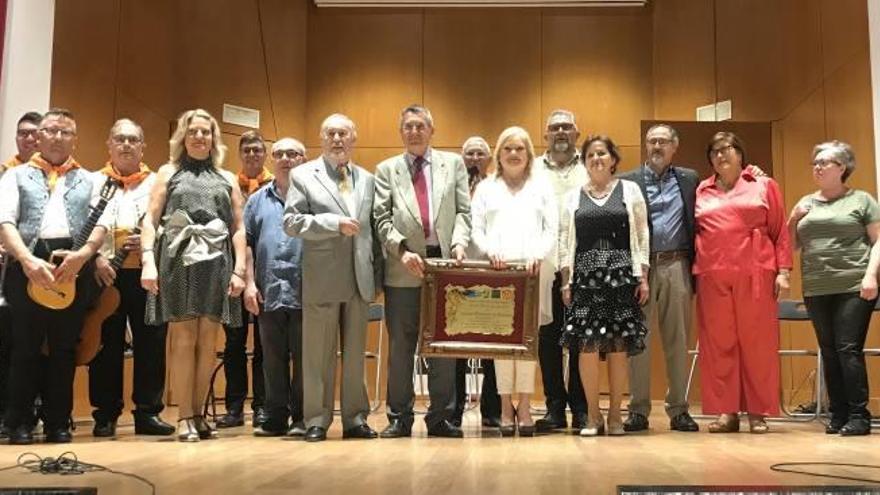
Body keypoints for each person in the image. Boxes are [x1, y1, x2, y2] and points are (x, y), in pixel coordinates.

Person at [0, 108, 110, 444]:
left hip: (72, 267)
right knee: (25, 347)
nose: (58, 137)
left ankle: (57, 422)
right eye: (51, 130)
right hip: (27, 265)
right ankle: (18, 422)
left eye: (66, 132)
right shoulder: (15, 176)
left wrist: (82, 256)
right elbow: (5, 222)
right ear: (39, 136)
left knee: (64, 348)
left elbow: (102, 225)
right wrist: (26, 260)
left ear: (74, 139)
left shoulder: (91, 179)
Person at [141, 108, 246, 442]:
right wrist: (147, 260)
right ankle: (185, 415)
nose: (200, 137)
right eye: (194, 132)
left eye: (206, 132)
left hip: (216, 263)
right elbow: (150, 219)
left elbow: (239, 228)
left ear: (214, 138)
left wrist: (240, 269)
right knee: (185, 339)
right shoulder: (168, 172)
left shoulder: (227, 177)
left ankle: (199, 414)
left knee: (207, 341)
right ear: (183, 137)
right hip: (178, 260)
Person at [374, 104, 470, 438]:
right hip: (403, 269)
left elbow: (463, 213)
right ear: (401, 132)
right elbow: (381, 219)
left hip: (444, 268)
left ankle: (440, 417)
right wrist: (401, 251)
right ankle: (399, 417)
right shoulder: (386, 169)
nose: (414, 131)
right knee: (402, 348)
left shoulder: (453, 164)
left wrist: (459, 244)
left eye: (420, 126)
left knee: (443, 347)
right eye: (408, 127)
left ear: (432, 130)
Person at [284, 114, 381, 442]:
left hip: (359, 277)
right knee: (317, 354)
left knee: (355, 354)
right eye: (331, 134)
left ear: (354, 139)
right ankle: (316, 420)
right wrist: (331, 223)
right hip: (322, 277)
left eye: (343, 133)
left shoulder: (368, 179)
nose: (337, 139)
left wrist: (376, 275)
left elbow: (372, 231)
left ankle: (355, 419)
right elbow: (291, 223)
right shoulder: (302, 175)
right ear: (321, 139)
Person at [693, 131, 791, 434]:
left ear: (740, 153)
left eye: (727, 149)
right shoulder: (701, 189)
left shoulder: (763, 184)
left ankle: (757, 412)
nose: (721, 155)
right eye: (715, 151)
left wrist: (784, 270)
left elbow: (780, 230)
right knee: (719, 345)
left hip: (755, 272)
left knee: (756, 344)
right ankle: (727, 412)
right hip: (713, 276)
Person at [88, 119, 174, 438]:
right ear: (109, 144)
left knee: (151, 342)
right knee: (104, 344)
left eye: (133, 140)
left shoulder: (158, 183)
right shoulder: (93, 182)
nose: (126, 145)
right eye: (120, 139)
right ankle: (105, 414)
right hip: (104, 273)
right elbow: (80, 224)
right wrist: (96, 258)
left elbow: (173, 223)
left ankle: (148, 413)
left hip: (147, 274)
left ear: (143, 147)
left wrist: (153, 238)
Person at [560, 135, 650, 437]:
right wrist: (565, 281)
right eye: (590, 155)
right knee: (586, 347)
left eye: (602, 153)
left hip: (621, 276)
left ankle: (614, 416)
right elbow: (565, 241)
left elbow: (641, 234)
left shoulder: (630, 190)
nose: (596, 159)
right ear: (584, 162)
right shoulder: (573, 196)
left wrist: (643, 276)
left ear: (613, 159)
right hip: (585, 278)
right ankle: (592, 416)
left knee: (617, 347)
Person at [788, 140, 880, 436]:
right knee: (829, 350)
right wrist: (792, 221)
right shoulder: (805, 203)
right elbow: (791, 246)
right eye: (815, 162)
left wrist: (871, 276)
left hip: (853, 284)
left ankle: (859, 415)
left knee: (847, 348)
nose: (817, 166)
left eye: (824, 162)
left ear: (842, 168)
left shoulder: (861, 200)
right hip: (816, 287)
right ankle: (838, 413)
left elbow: (878, 240)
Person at [471, 127, 557, 437]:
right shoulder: (485, 189)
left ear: (529, 154)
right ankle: (506, 406)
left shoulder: (541, 186)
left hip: (532, 274)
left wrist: (537, 254)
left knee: (527, 345)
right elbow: (476, 229)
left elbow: (551, 228)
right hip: (499, 274)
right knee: (502, 345)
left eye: (520, 148)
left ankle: (525, 404)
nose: (514, 153)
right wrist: (490, 251)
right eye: (507, 148)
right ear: (499, 153)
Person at [617, 124, 700, 433]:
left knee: (677, 341)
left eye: (663, 141)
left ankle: (679, 409)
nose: (656, 146)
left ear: (674, 147)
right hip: (640, 269)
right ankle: (638, 410)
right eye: (651, 141)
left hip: (677, 265)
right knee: (638, 341)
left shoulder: (690, 179)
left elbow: (722, 187)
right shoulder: (627, 181)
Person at [244, 137, 307, 437]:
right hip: (268, 289)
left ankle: (303, 417)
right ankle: (275, 417)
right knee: (272, 359)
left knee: (305, 358)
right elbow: (245, 244)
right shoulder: (256, 200)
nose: (285, 159)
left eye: (292, 153)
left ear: (303, 159)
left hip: (306, 290)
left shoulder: (313, 199)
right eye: (279, 154)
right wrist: (248, 283)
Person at [531, 109, 588, 433]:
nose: (561, 133)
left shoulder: (590, 164)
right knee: (548, 337)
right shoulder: (533, 170)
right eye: (554, 128)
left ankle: (581, 407)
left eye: (567, 127)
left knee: (580, 337)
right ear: (546, 136)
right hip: (545, 264)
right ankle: (554, 407)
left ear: (577, 133)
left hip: (582, 266)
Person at [217, 130, 270, 428]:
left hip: (266, 274)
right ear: (240, 154)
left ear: (264, 154)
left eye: (257, 150)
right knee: (234, 343)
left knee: (265, 344)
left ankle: (263, 406)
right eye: (247, 150)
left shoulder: (277, 184)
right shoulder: (228, 186)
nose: (252, 154)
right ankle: (234, 408)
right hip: (233, 275)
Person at [0, 110, 43, 434]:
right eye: (23, 133)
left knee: (29, 345)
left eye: (35, 133)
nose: (29, 138)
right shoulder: (5, 173)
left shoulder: (54, 177)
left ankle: (30, 411)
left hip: (32, 273)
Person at [453, 135, 500, 428]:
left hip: (491, 271)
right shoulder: (453, 185)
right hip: (457, 273)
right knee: (456, 345)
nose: (474, 158)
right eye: (468, 153)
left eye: (479, 153)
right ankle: (455, 408)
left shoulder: (497, 187)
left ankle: (492, 409)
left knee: (493, 344)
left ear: (489, 158)